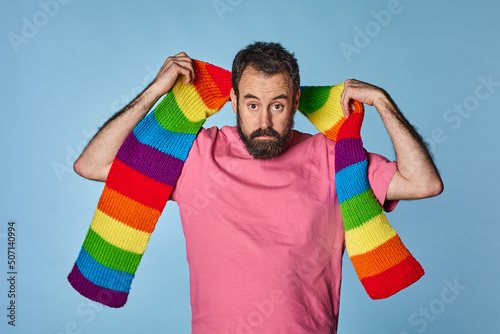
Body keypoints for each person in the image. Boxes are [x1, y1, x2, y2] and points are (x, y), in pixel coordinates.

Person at [73, 42, 443, 333]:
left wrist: (382, 102)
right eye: (252, 104)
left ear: (296, 102)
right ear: (233, 101)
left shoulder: (334, 159)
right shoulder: (196, 153)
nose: (264, 121)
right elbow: (93, 164)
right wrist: (155, 92)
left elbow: (423, 182)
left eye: (277, 106)